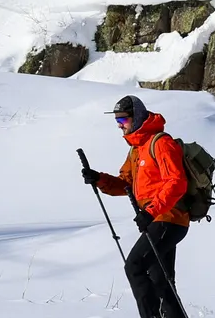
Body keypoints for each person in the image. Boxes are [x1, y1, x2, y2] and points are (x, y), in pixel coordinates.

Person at [80, 95, 189, 318]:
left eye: (123, 120)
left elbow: (176, 182)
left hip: (169, 217)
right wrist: (99, 179)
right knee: (160, 280)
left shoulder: (160, 143)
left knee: (135, 266)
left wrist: (150, 211)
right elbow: (126, 184)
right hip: (155, 218)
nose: (120, 126)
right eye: (117, 122)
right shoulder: (137, 148)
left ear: (137, 117)